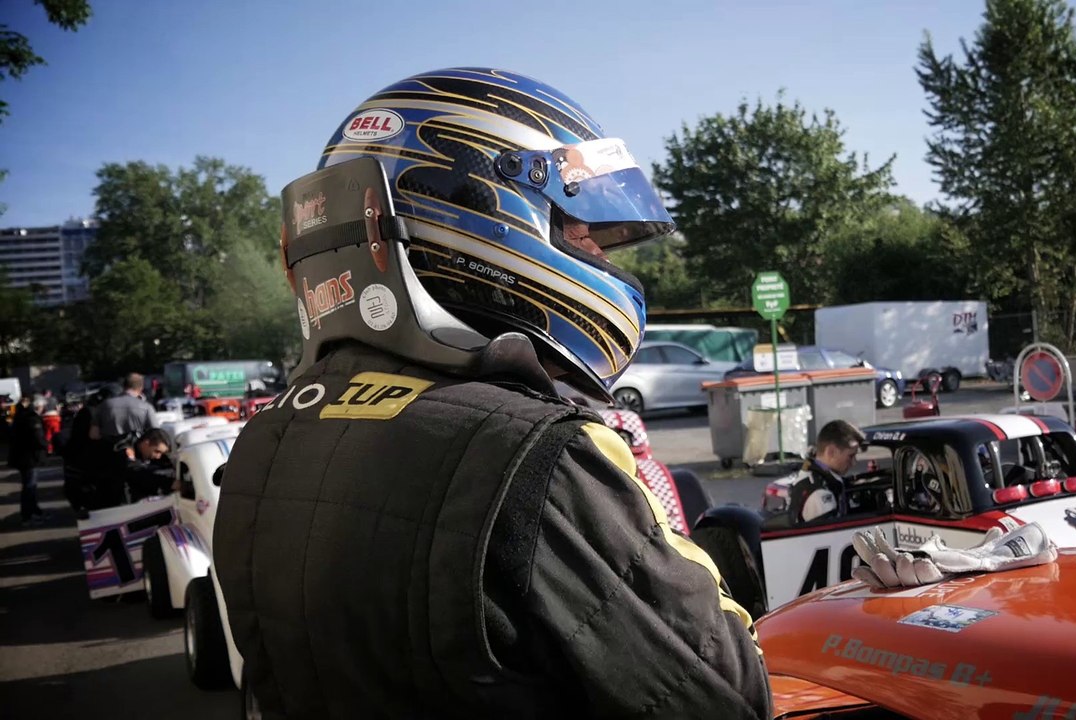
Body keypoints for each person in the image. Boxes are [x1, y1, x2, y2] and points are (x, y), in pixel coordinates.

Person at [213, 67, 770, 719]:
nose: (599, 252)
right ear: (479, 211)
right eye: (575, 224)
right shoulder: (539, 457)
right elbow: (728, 697)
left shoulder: (268, 440)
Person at [788, 419, 866, 524]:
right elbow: (830, 539)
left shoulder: (813, 474)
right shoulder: (819, 496)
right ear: (831, 452)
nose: (854, 462)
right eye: (851, 456)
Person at [7, 394, 48, 524]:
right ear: (39, 406)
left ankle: (34, 510)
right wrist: (46, 445)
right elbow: (38, 438)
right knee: (30, 486)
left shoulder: (22, 416)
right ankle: (28, 515)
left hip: (22, 456)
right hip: (29, 457)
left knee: (29, 486)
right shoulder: (32, 419)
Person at [90, 373, 158, 445]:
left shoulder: (104, 405)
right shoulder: (146, 407)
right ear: (141, 387)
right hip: (136, 451)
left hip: (109, 452)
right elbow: (156, 434)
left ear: (123, 386)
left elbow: (93, 434)